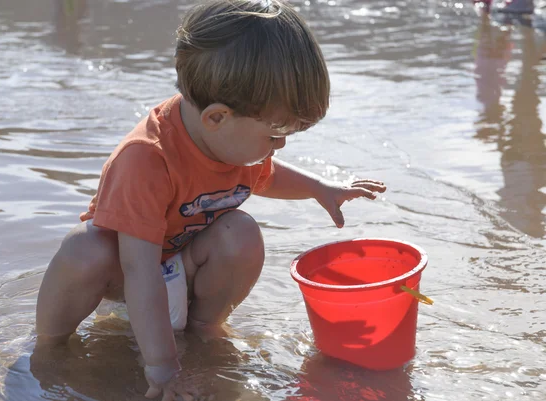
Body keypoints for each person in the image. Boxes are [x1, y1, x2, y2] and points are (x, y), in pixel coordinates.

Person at [34, 0, 387, 399]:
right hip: (123, 275)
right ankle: (48, 346)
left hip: (178, 263)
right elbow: (139, 271)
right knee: (86, 249)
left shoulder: (231, 141)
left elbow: (266, 177)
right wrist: (163, 366)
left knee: (241, 231)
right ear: (216, 117)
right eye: (274, 135)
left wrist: (321, 188)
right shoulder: (146, 159)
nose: (280, 145)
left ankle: (204, 329)